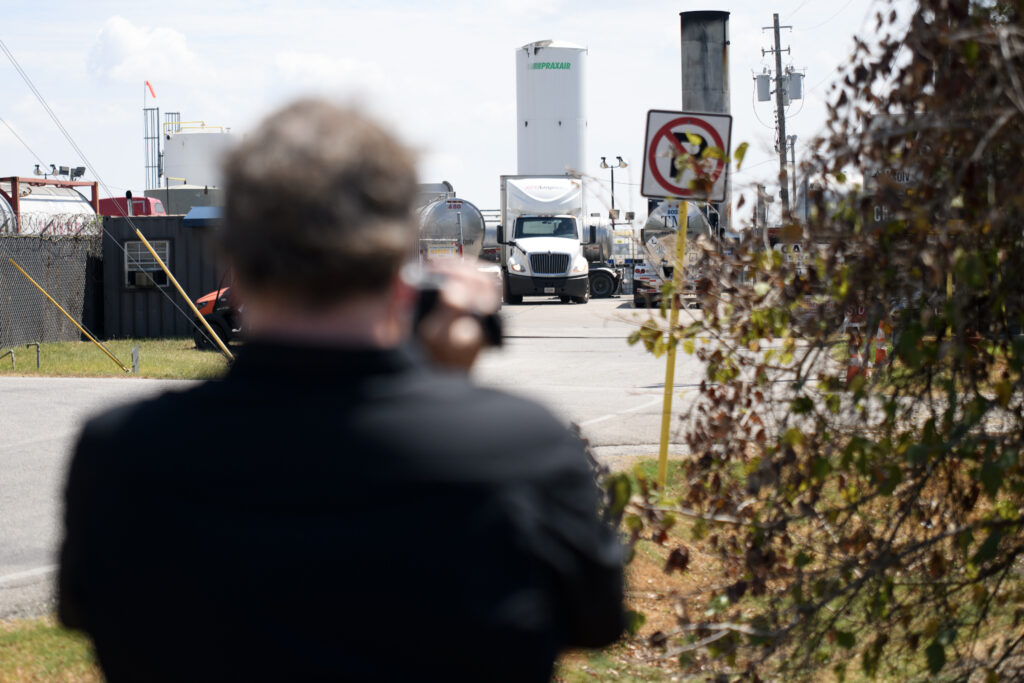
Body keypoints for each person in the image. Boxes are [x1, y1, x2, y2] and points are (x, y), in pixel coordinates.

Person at [58, 98, 624, 682]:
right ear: (401, 256)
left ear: (232, 258)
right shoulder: (522, 447)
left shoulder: (123, 455)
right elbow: (597, 617)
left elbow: (92, 616)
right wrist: (450, 389)